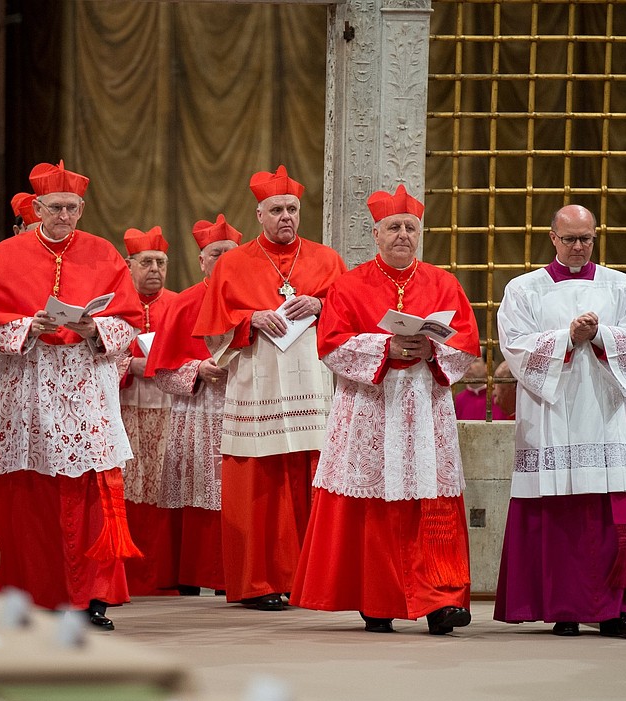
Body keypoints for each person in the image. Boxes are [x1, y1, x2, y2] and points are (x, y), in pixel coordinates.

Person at [290, 184, 480, 634]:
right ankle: (377, 597)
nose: (402, 235)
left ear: (419, 234)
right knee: (374, 500)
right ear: (375, 234)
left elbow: (467, 343)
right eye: (393, 227)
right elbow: (331, 345)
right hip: (370, 409)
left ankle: (442, 600)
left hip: (425, 405)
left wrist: (432, 350)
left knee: (431, 500)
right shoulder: (349, 284)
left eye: (410, 227)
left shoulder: (443, 282)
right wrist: (386, 346)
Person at [0, 160, 145, 630]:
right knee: (29, 490)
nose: (65, 216)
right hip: (28, 383)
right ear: (37, 207)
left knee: (90, 487)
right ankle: (27, 593)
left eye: (73, 208)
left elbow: (129, 320)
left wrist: (96, 327)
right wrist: (29, 325)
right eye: (56, 208)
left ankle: (92, 596)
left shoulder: (103, 253)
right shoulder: (7, 255)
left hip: (86, 381)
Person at [495, 204, 626, 638]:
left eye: (586, 238)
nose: (579, 246)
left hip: (602, 413)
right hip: (551, 415)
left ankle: (614, 611)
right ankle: (563, 607)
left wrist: (600, 334)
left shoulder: (619, 285)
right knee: (559, 511)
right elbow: (514, 345)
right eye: (570, 239)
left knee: (608, 510)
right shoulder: (524, 288)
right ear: (552, 238)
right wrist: (567, 337)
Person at [193, 165, 347, 611]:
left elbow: (351, 314)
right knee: (259, 483)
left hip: (312, 384)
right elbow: (213, 330)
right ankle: (258, 582)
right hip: (256, 384)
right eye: (277, 209)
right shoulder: (233, 263)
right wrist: (249, 318)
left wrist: (320, 303)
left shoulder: (326, 259)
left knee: (310, 476)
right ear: (259, 214)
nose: (286, 217)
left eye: (293, 209)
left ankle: (308, 580)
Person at [145, 214, 241, 594]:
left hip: (245, 407)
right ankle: (200, 575)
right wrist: (197, 368)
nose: (223, 260)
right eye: (215, 254)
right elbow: (162, 371)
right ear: (202, 260)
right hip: (199, 409)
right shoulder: (184, 302)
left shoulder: (256, 298)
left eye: (230, 253)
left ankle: (238, 575)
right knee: (201, 494)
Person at [118, 226, 180, 595]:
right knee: (126, 487)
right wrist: (129, 366)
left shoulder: (178, 303)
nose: (155, 269)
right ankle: (125, 576)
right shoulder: (114, 303)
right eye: (146, 262)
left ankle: (162, 576)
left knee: (162, 488)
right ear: (129, 265)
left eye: (161, 262)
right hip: (123, 406)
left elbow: (195, 354)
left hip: (169, 407)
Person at [454, 355, 506, 420]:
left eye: (475, 361)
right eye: (466, 361)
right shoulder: (456, 400)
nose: (468, 366)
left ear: (487, 366)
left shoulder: (499, 398)